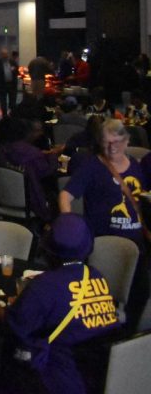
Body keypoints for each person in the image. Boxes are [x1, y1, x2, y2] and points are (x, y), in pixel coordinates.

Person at [0, 214, 119, 394]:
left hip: (59, 379)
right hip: (100, 375)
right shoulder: (97, 276)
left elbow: (12, 325)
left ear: (49, 249)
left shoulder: (44, 286)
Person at [58, 119, 149, 324]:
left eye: (117, 142)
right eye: (107, 142)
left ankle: (128, 333)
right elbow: (66, 195)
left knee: (140, 292)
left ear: (126, 141)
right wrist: (69, 224)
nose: (112, 147)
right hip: (103, 244)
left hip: (135, 243)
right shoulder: (92, 166)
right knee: (101, 293)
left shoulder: (135, 165)